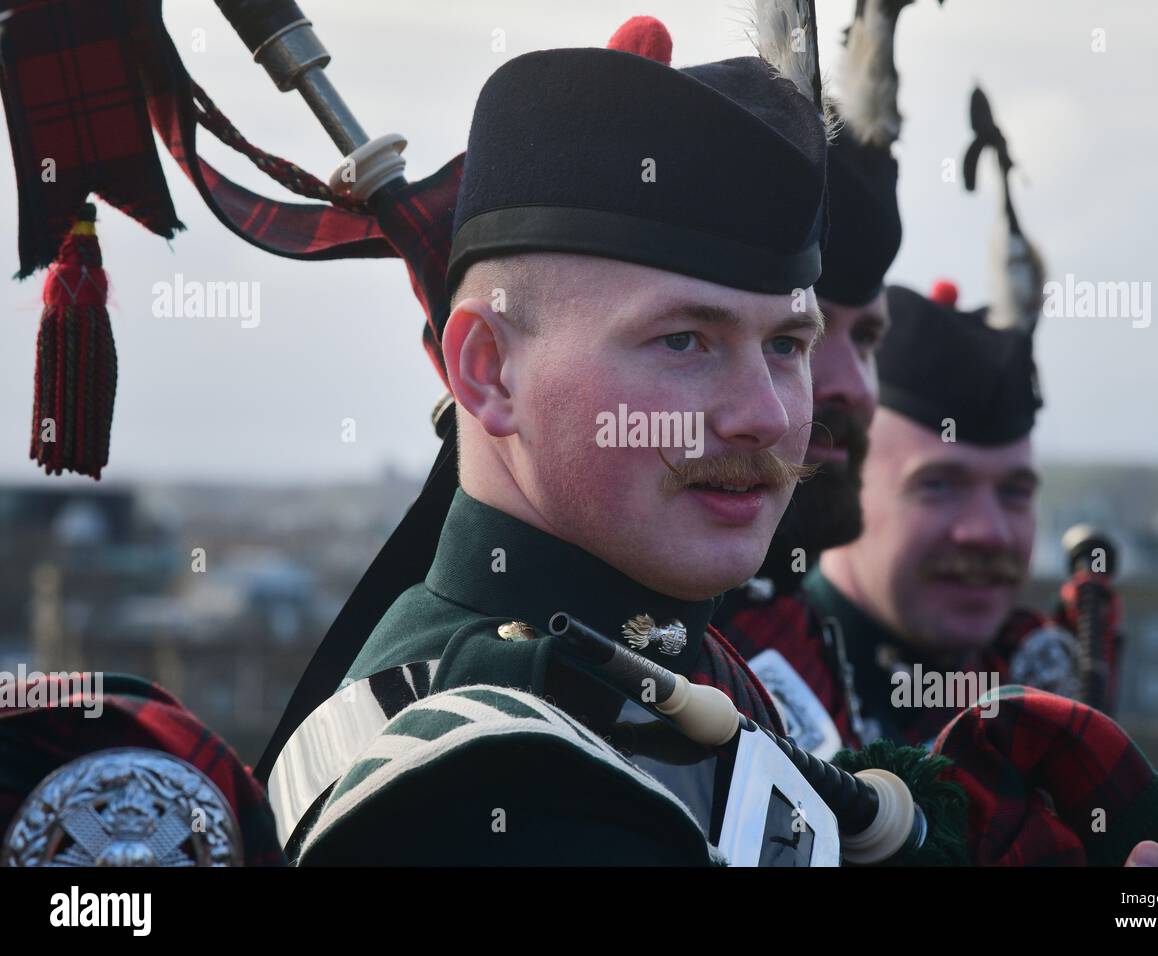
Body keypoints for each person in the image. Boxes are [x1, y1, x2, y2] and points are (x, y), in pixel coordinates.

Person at [263, 14, 834, 865]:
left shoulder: (682, 665)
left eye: (786, 345)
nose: (766, 414)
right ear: (489, 372)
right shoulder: (491, 787)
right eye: (684, 340)